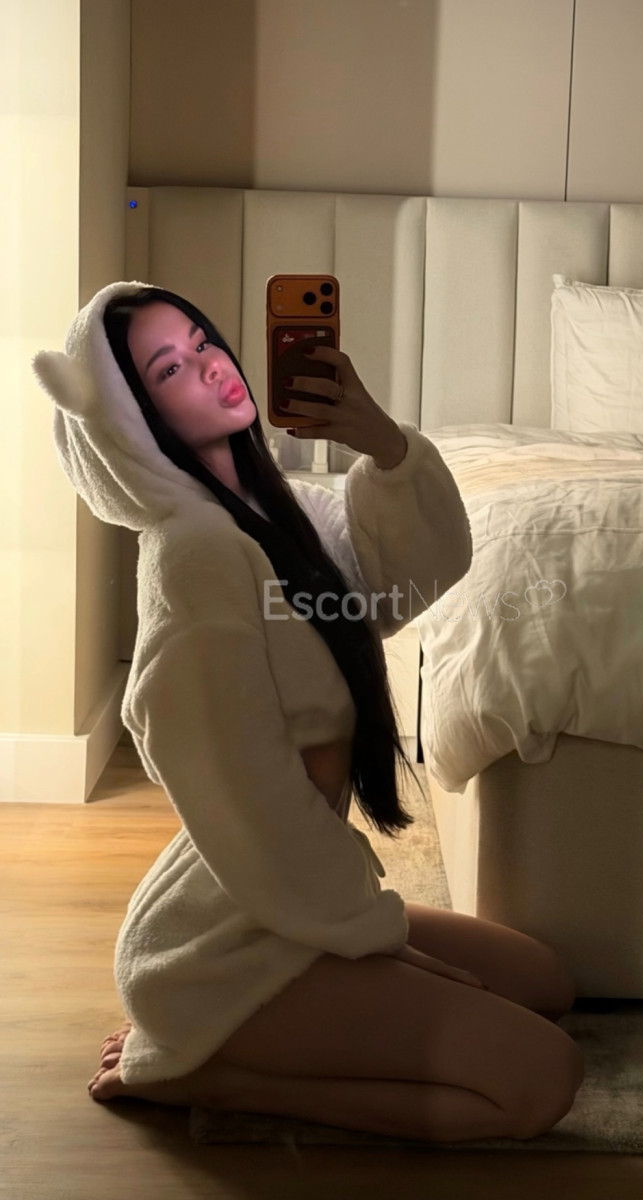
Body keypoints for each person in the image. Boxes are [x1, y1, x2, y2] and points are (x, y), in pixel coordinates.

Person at [32, 282, 582, 1143]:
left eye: (202, 341)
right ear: (132, 424)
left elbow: (399, 583)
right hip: (228, 949)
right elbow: (244, 796)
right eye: (168, 369)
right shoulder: (194, 557)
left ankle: (254, 1030)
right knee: (540, 1080)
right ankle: (215, 1075)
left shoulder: (270, 515)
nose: (208, 365)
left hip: (282, 897)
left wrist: (382, 443)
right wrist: (375, 937)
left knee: (544, 982)